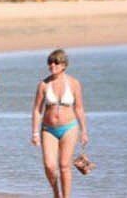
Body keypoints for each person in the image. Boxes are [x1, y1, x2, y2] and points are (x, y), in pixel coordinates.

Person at [31, 49, 88, 198]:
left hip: (69, 128)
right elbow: (37, 110)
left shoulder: (74, 83)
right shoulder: (43, 85)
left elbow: (79, 108)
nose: (52, 65)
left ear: (64, 65)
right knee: (49, 166)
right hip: (48, 129)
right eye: (50, 62)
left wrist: (84, 131)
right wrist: (35, 133)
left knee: (64, 166)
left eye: (56, 62)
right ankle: (56, 192)